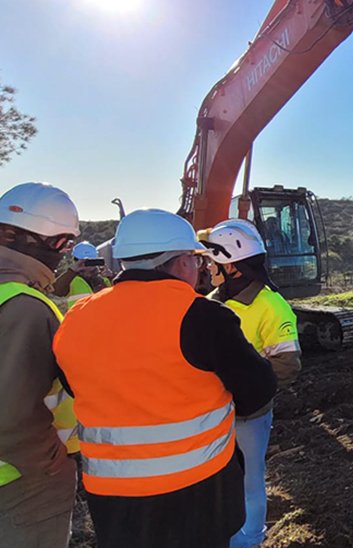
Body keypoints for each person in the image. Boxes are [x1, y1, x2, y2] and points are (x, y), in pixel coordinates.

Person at [53, 209, 277, 548]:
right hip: (198, 495)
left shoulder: (76, 319)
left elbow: (76, 384)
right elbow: (258, 390)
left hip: (113, 499)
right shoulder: (204, 316)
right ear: (182, 261)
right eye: (196, 259)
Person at [205, 219, 301, 548]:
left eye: (212, 260)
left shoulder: (271, 306)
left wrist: (242, 391)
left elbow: (287, 365)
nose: (208, 266)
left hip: (247, 415)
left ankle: (248, 541)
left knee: (249, 482)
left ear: (229, 264)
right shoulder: (211, 302)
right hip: (211, 413)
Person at [0, 182, 80, 547]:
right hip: (21, 481)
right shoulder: (26, 307)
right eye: (63, 244)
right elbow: (13, 417)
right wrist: (50, 465)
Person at [51, 241, 110, 309]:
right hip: (79, 318)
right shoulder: (71, 280)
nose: (87, 266)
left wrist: (111, 277)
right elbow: (57, 291)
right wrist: (72, 270)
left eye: (90, 261)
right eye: (84, 262)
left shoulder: (104, 278)